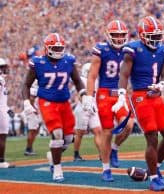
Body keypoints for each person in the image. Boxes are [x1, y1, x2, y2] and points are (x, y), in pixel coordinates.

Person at [114, 16, 164, 191]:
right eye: (153, 36)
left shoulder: (163, 50)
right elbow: (124, 74)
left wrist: (162, 84)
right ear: (143, 35)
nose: (156, 40)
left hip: (156, 95)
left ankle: (153, 169)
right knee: (152, 137)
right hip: (140, 95)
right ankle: (155, 179)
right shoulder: (133, 49)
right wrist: (121, 94)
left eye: (158, 36)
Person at [22, 33, 86, 182]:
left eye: (60, 47)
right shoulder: (38, 62)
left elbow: (77, 81)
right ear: (47, 48)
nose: (58, 50)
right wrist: (26, 102)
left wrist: (85, 95)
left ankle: (53, 155)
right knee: (57, 134)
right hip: (47, 101)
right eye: (55, 47)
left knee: (69, 138)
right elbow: (26, 84)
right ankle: (57, 169)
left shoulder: (69, 60)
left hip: (64, 102)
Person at [83, 20, 134, 182]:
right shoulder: (101, 50)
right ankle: (106, 168)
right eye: (115, 35)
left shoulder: (130, 50)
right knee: (107, 131)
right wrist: (89, 96)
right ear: (108, 35)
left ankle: (114, 148)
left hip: (121, 93)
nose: (119, 38)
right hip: (105, 93)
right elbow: (92, 75)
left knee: (128, 125)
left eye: (121, 35)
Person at [73, 62, 102, 161]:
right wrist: (86, 104)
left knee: (98, 131)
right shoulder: (82, 80)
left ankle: (102, 154)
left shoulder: (96, 80)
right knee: (80, 133)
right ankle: (76, 154)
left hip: (93, 108)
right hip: (83, 108)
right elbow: (80, 95)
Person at [0, 58, 15, 168]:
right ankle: (1, 162)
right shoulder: (0, 79)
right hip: (1, 112)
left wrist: (7, 108)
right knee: (2, 137)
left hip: (3, 110)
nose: (5, 69)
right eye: (3, 67)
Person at [24, 80, 40, 156]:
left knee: (35, 130)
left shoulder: (33, 88)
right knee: (32, 130)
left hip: (32, 110)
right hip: (32, 111)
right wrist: (34, 109)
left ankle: (30, 147)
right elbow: (31, 99)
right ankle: (28, 149)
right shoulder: (33, 89)